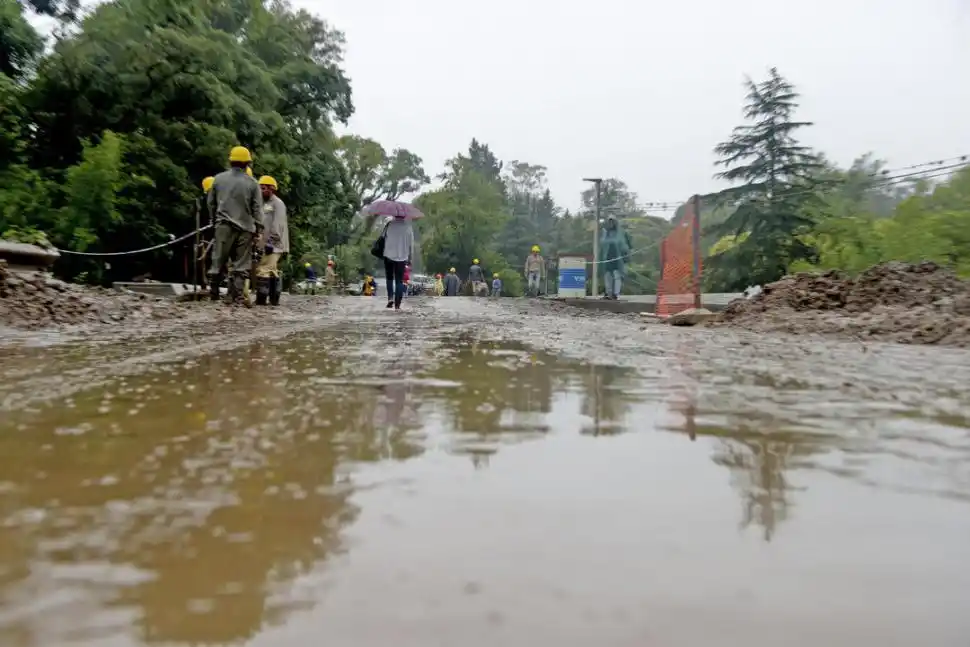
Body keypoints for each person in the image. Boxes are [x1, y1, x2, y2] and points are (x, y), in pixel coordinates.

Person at [207, 146, 263, 306]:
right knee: (240, 264)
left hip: (223, 226)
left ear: (230, 161)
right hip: (245, 229)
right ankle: (237, 298)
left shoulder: (218, 179)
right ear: (247, 164)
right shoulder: (252, 183)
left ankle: (214, 295)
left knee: (218, 260)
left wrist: (213, 221)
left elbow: (211, 203)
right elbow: (257, 208)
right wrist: (258, 228)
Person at [254, 175, 288, 307]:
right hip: (264, 242)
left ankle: (261, 300)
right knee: (272, 270)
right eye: (259, 188)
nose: (261, 191)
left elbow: (278, 224)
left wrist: (271, 242)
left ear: (271, 189)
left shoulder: (278, 204)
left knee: (263, 269)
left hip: (275, 243)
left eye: (263, 188)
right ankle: (274, 300)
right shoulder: (262, 203)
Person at [382, 214, 413, 309]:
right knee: (399, 281)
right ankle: (397, 304)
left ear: (395, 215)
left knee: (389, 278)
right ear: (404, 216)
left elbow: (383, 237)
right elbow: (411, 244)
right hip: (402, 257)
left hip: (389, 255)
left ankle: (390, 297)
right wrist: (410, 258)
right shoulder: (408, 227)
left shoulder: (389, 225)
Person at [599, 215, 631, 300]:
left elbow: (626, 246)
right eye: (609, 222)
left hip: (618, 258)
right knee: (608, 275)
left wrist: (625, 256)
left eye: (612, 221)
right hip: (607, 257)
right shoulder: (605, 233)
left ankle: (615, 293)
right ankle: (608, 293)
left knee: (617, 275)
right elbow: (602, 243)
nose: (610, 223)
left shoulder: (621, 233)